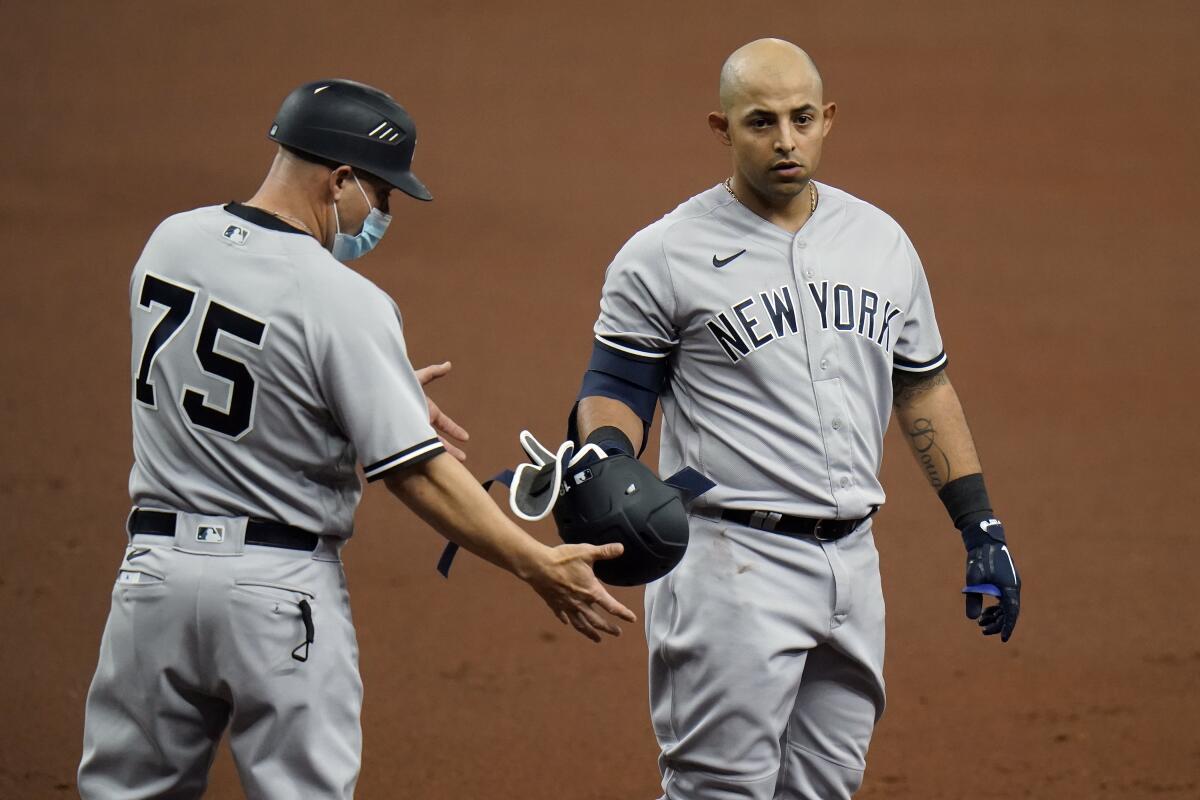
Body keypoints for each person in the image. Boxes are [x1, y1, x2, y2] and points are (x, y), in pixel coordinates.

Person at [77, 78, 635, 800]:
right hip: (273, 595)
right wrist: (534, 562)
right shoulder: (343, 300)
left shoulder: (169, 242)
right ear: (340, 179)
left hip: (152, 582)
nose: (384, 212)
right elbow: (419, 475)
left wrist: (360, 396)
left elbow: (226, 377)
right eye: (384, 193)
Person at [569, 40, 1021, 799]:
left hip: (854, 567)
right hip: (731, 566)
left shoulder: (881, 242)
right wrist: (608, 451)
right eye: (761, 122)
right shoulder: (664, 254)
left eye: (802, 118)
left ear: (828, 119)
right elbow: (616, 382)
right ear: (722, 128)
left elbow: (923, 389)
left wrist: (979, 525)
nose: (785, 140)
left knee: (824, 790)